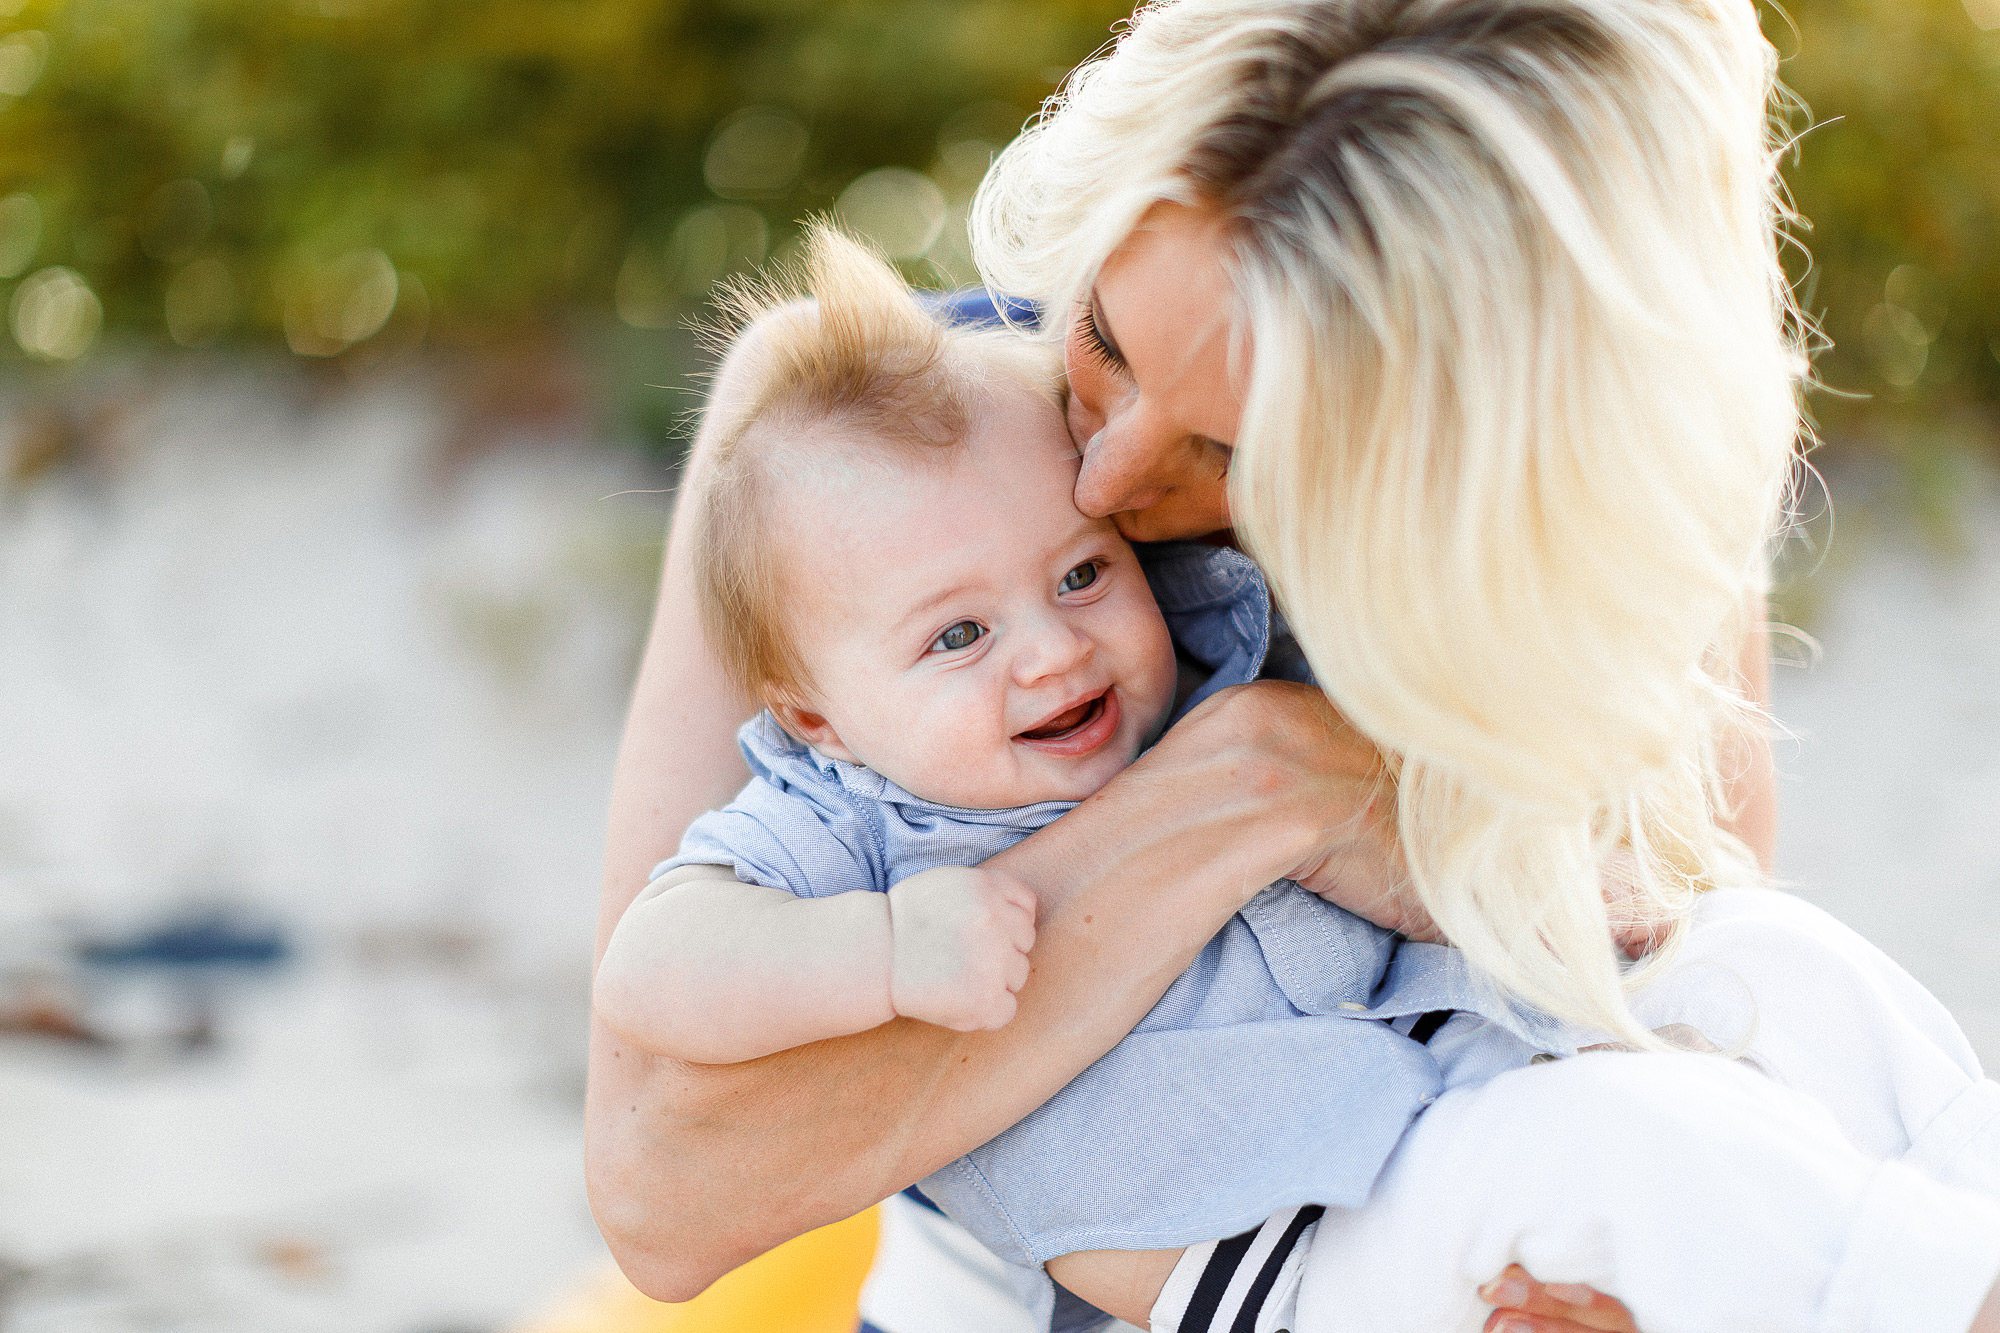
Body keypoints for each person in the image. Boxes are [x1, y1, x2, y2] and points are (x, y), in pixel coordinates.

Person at [577, 0, 1952, 1330]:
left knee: (1785, 989)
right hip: (1169, 1274)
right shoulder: (831, 475)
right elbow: (664, 1190)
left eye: (1241, 452)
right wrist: (1254, 787)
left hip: (1464, 1182)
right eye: (1105, 338)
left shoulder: (1607, 545)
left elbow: (1648, 956)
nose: (1102, 473)